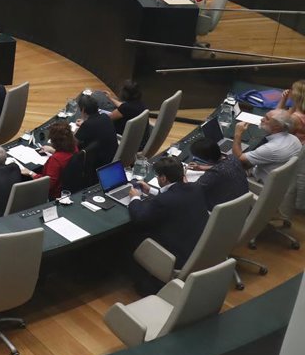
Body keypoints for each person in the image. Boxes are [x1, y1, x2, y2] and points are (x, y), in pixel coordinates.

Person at [127, 157, 209, 292]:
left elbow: (139, 218)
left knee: (131, 233)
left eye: (158, 176)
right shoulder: (195, 188)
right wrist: (151, 191)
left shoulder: (163, 201)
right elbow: (174, 197)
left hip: (175, 255)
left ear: (163, 178)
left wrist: (135, 197)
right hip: (196, 246)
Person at [234, 109, 301, 184]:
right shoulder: (294, 139)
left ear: (276, 127)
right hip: (283, 180)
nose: (262, 119)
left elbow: (238, 159)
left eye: (267, 119)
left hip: (260, 183)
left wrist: (238, 133)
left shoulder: (270, 148)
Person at [186, 138, 250, 211]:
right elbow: (223, 167)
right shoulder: (233, 158)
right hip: (244, 201)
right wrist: (201, 167)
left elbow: (192, 190)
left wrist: (182, 175)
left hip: (226, 210)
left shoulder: (212, 175)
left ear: (203, 158)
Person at [30, 121, 78, 199]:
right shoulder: (74, 148)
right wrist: (52, 150)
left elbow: (48, 184)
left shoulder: (55, 160)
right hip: (69, 187)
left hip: (53, 195)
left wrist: (31, 173)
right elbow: (65, 155)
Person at [75, 93, 119, 169]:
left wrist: (76, 131)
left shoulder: (87, 125)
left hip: (98, 163)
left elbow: (73, 144)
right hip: (113, 157)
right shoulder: (105, 117)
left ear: (83, 110)